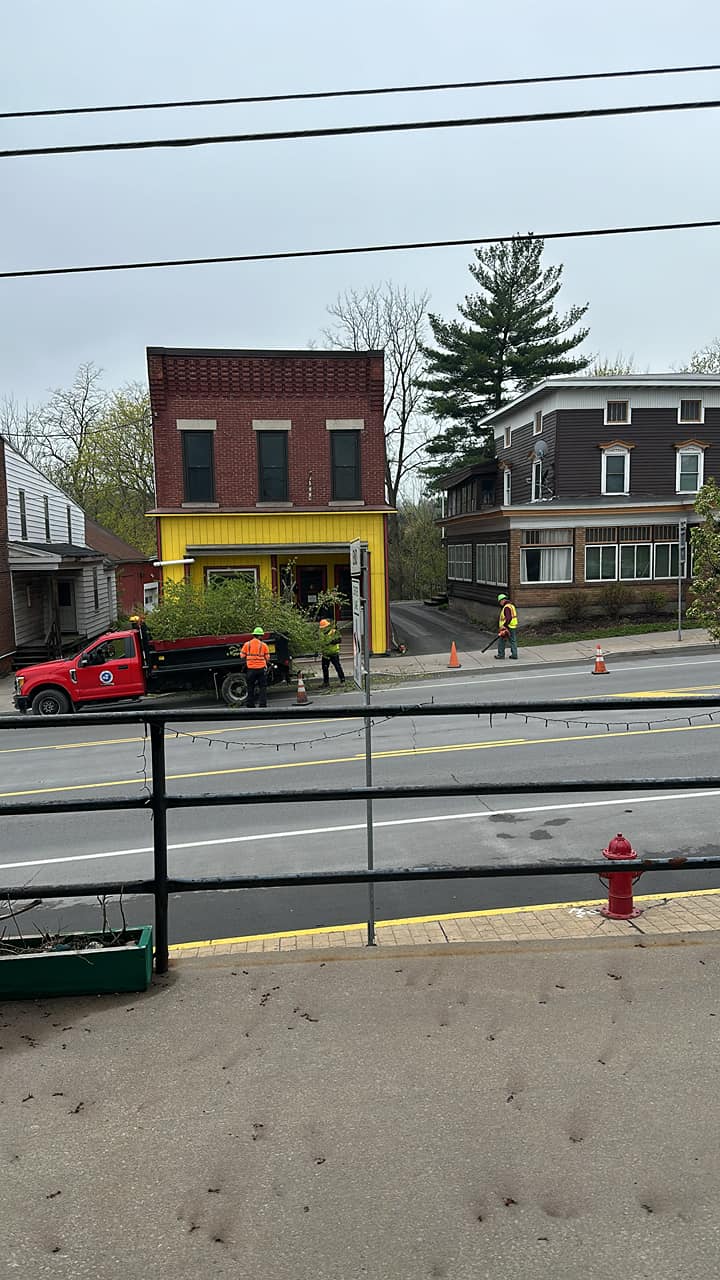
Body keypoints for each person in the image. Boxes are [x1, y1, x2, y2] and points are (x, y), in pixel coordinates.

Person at [240, 626, 271, 706]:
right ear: (260, 636)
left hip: (251, 669)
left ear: (254, 635)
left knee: (250, 687)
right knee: (262, 687)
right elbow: (267, 658)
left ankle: (250, 704)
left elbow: (242, 656)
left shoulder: (247, 644)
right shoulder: (264, 645)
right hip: (261, 669)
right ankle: (262, 704)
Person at [318, 617, 345, 686]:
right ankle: (326, 682)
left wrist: (331, 642)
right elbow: (320, 642)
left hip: (334, 653)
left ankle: (342, 680)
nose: (323, 629)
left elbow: (339, 640)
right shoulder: (321, 633)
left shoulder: (334, 632)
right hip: (325, 653)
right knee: (325, 668)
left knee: (337, 667)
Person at [495, 593, 518, 660]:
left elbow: (509, 618)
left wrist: (504, 626)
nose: (500, 604)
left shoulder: (506, 607)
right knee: (513, 641)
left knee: (501, 641)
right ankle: (514, 654)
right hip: (513, 626)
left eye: (500, 602)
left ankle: (501, 655)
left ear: (502, 600)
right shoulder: (511, 606)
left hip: (507, 627)